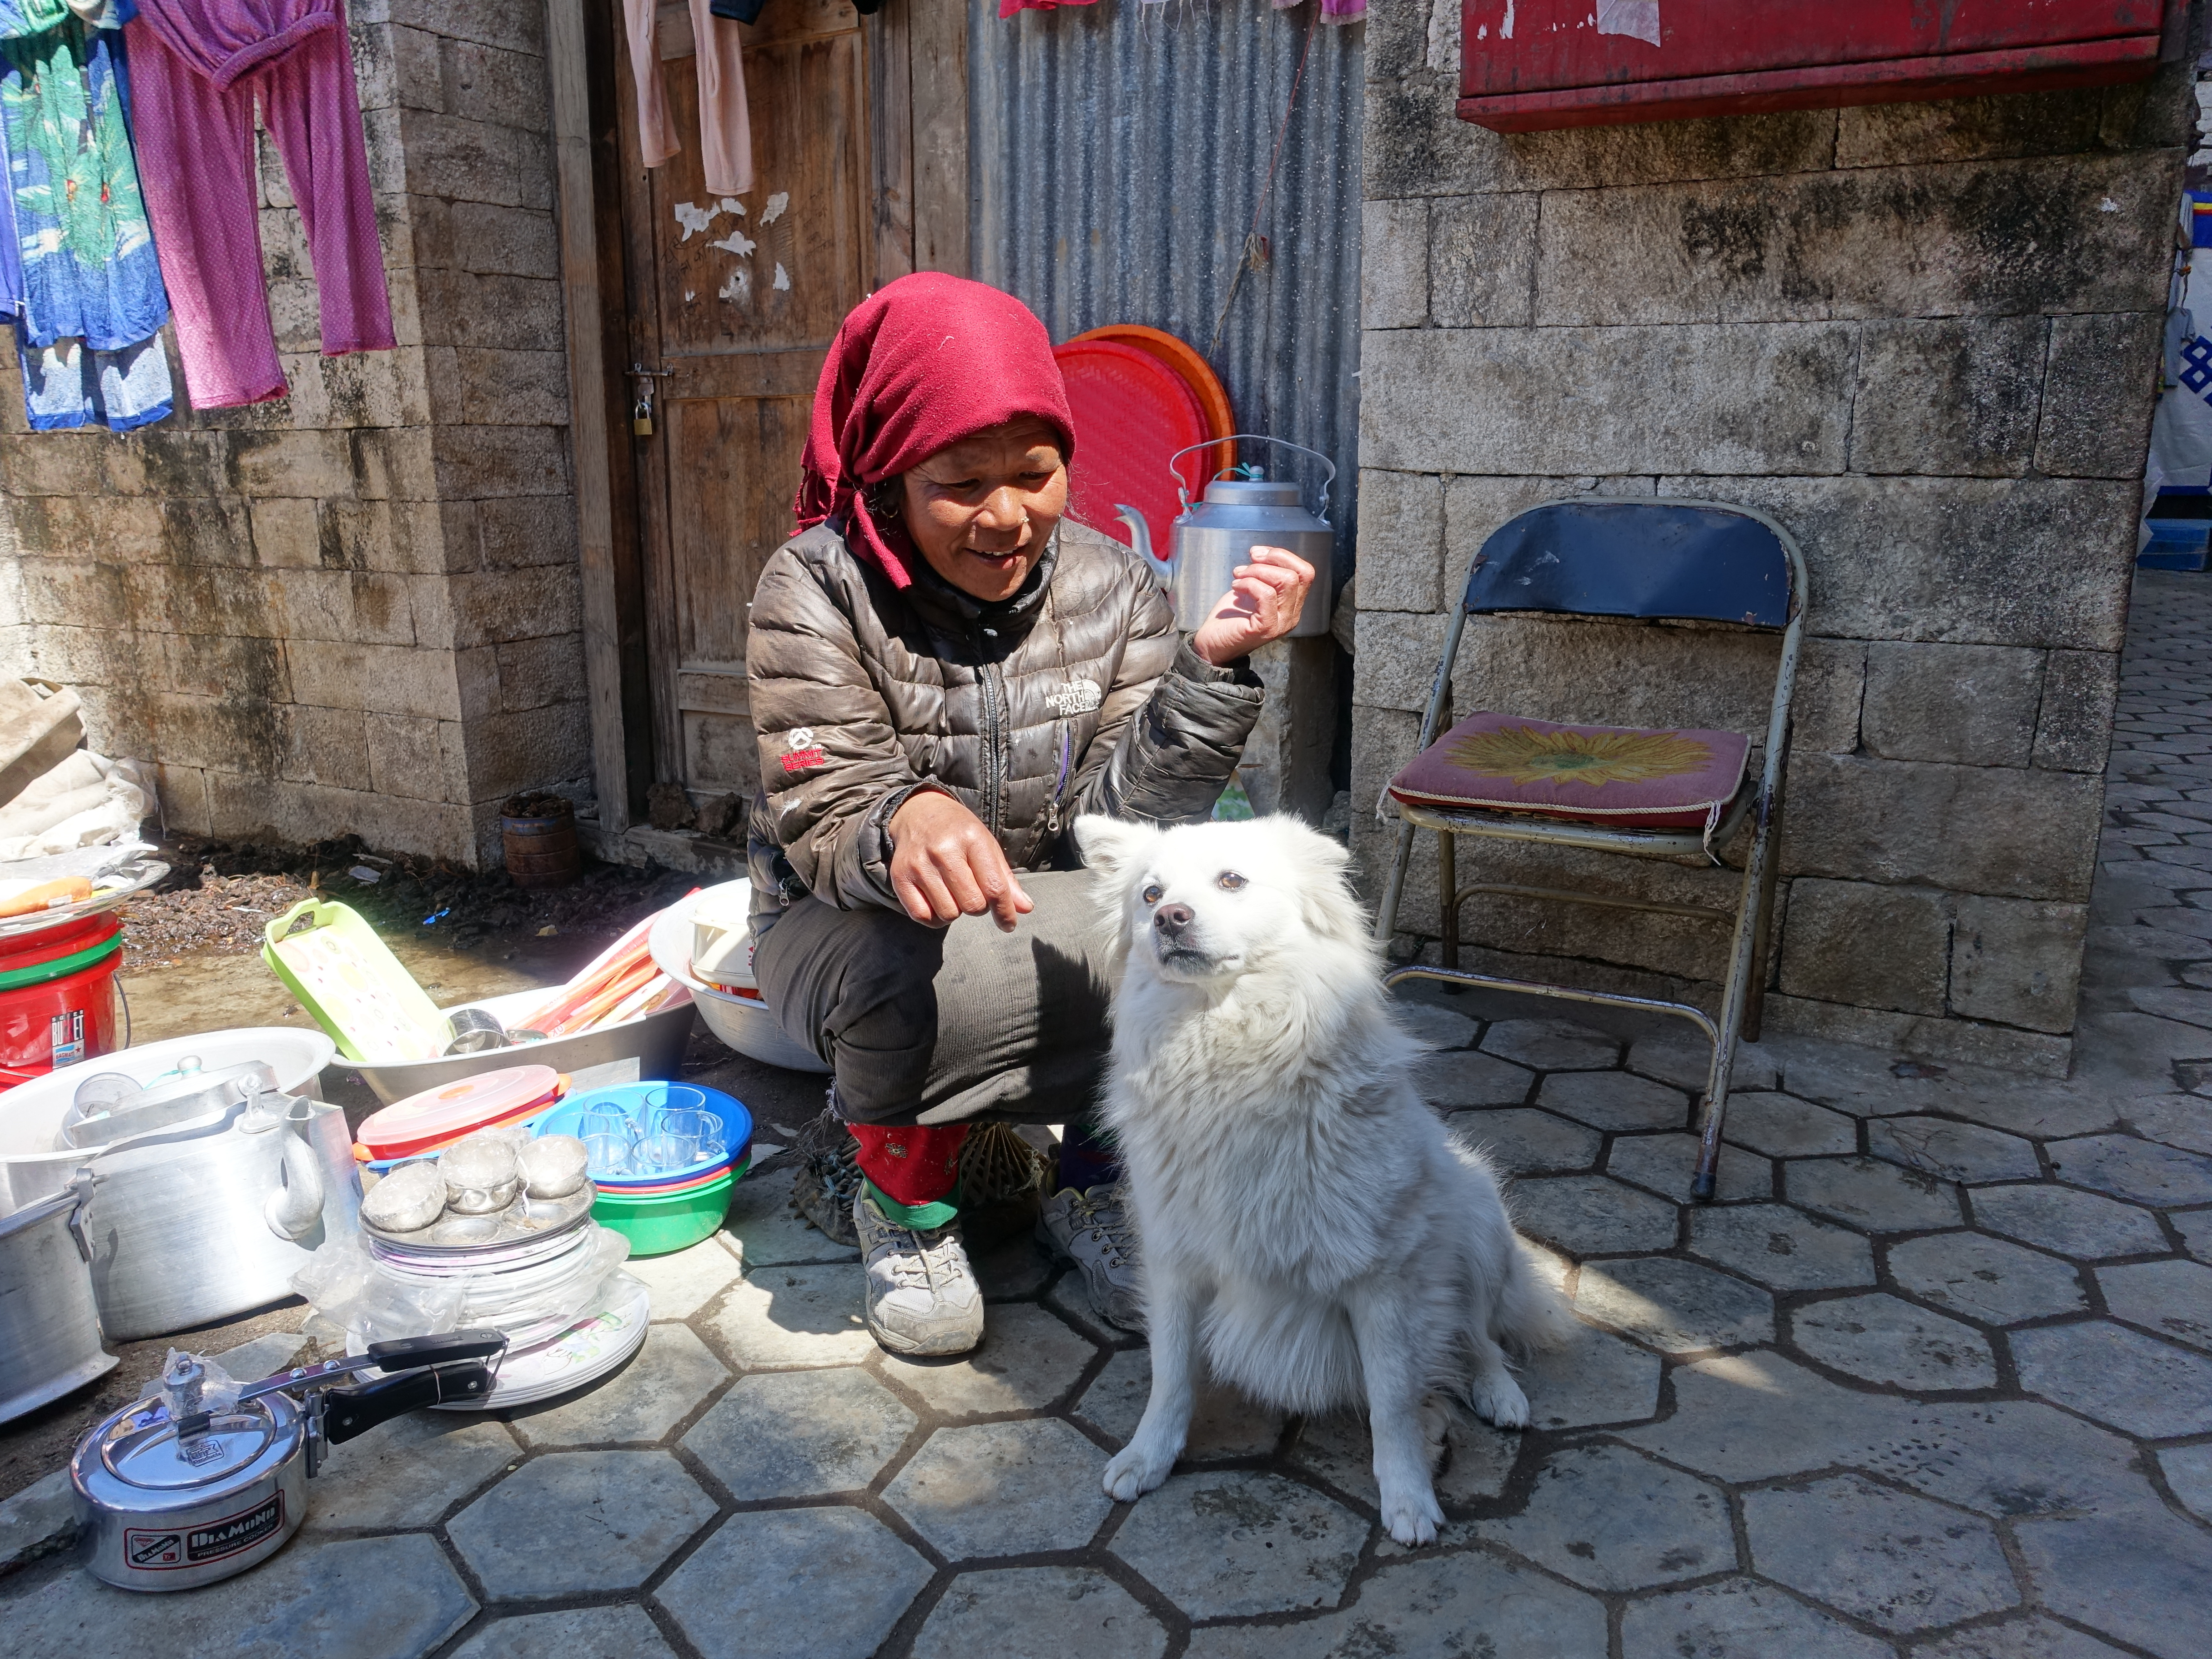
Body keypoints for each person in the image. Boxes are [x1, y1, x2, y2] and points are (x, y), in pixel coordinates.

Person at [745, 272, 1316, 1356]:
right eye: (960, 483)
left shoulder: (1112, 587)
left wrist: (1207, 669)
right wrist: (900, 819)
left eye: (1035, 474)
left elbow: (1119, 829)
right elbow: (824, 803)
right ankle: (905, 1210)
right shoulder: (813, 586)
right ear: (891, 476)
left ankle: (1095, 1181)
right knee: (893, 966)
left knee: (1193, 931)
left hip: (1041, 904)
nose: (1006, 516)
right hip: (842, 922)